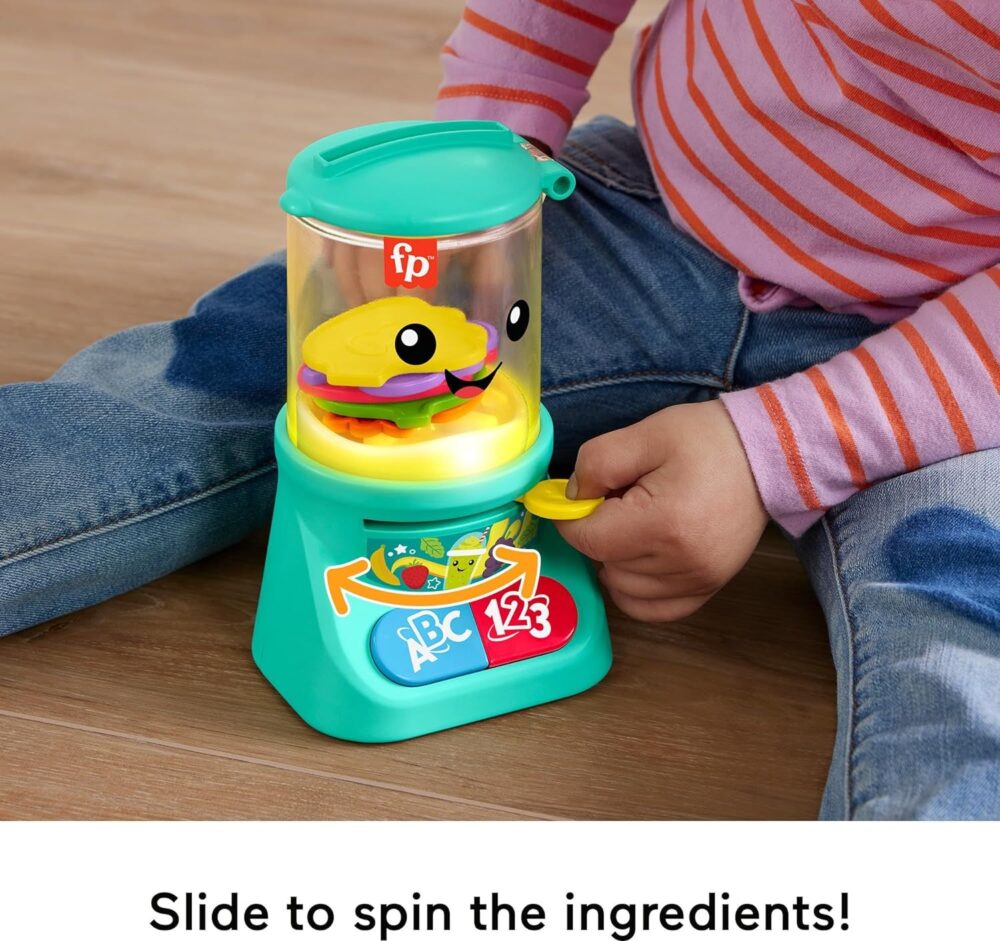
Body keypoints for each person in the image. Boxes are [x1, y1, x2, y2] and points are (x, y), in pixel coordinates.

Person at [1, 0, 998, 819]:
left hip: (957, 362)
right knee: (234, 370)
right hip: (644, 208)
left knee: (964, 675)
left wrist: (774, 450)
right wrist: (483, 185)